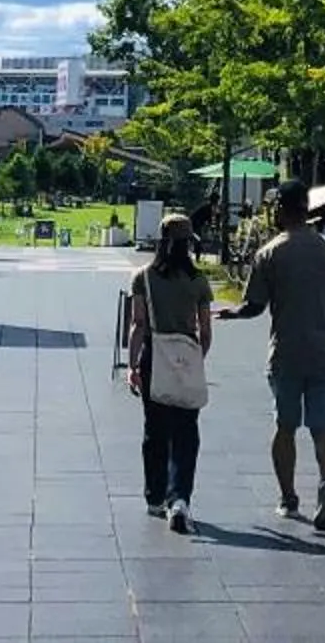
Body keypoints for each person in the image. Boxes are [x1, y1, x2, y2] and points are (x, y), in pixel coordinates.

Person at [221, 179, 325, 529]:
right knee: (322, 428)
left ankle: (288, 497)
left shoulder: (270, 252)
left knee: (285, 426)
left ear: (281, 210)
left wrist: (232, 313)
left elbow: (255, 306)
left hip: (286, 351)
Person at [125, 217, 213, 534]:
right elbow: (205, 330)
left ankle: (155, 495)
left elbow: (138, 324)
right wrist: (196, 359)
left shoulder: (144, 278)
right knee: (187, 431)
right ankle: (180, 498)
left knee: (156, 428)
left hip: (154, 355)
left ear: (161, 241)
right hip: (186, 355)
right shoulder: (199, 280)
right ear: (189, 243)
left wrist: (133, 365)